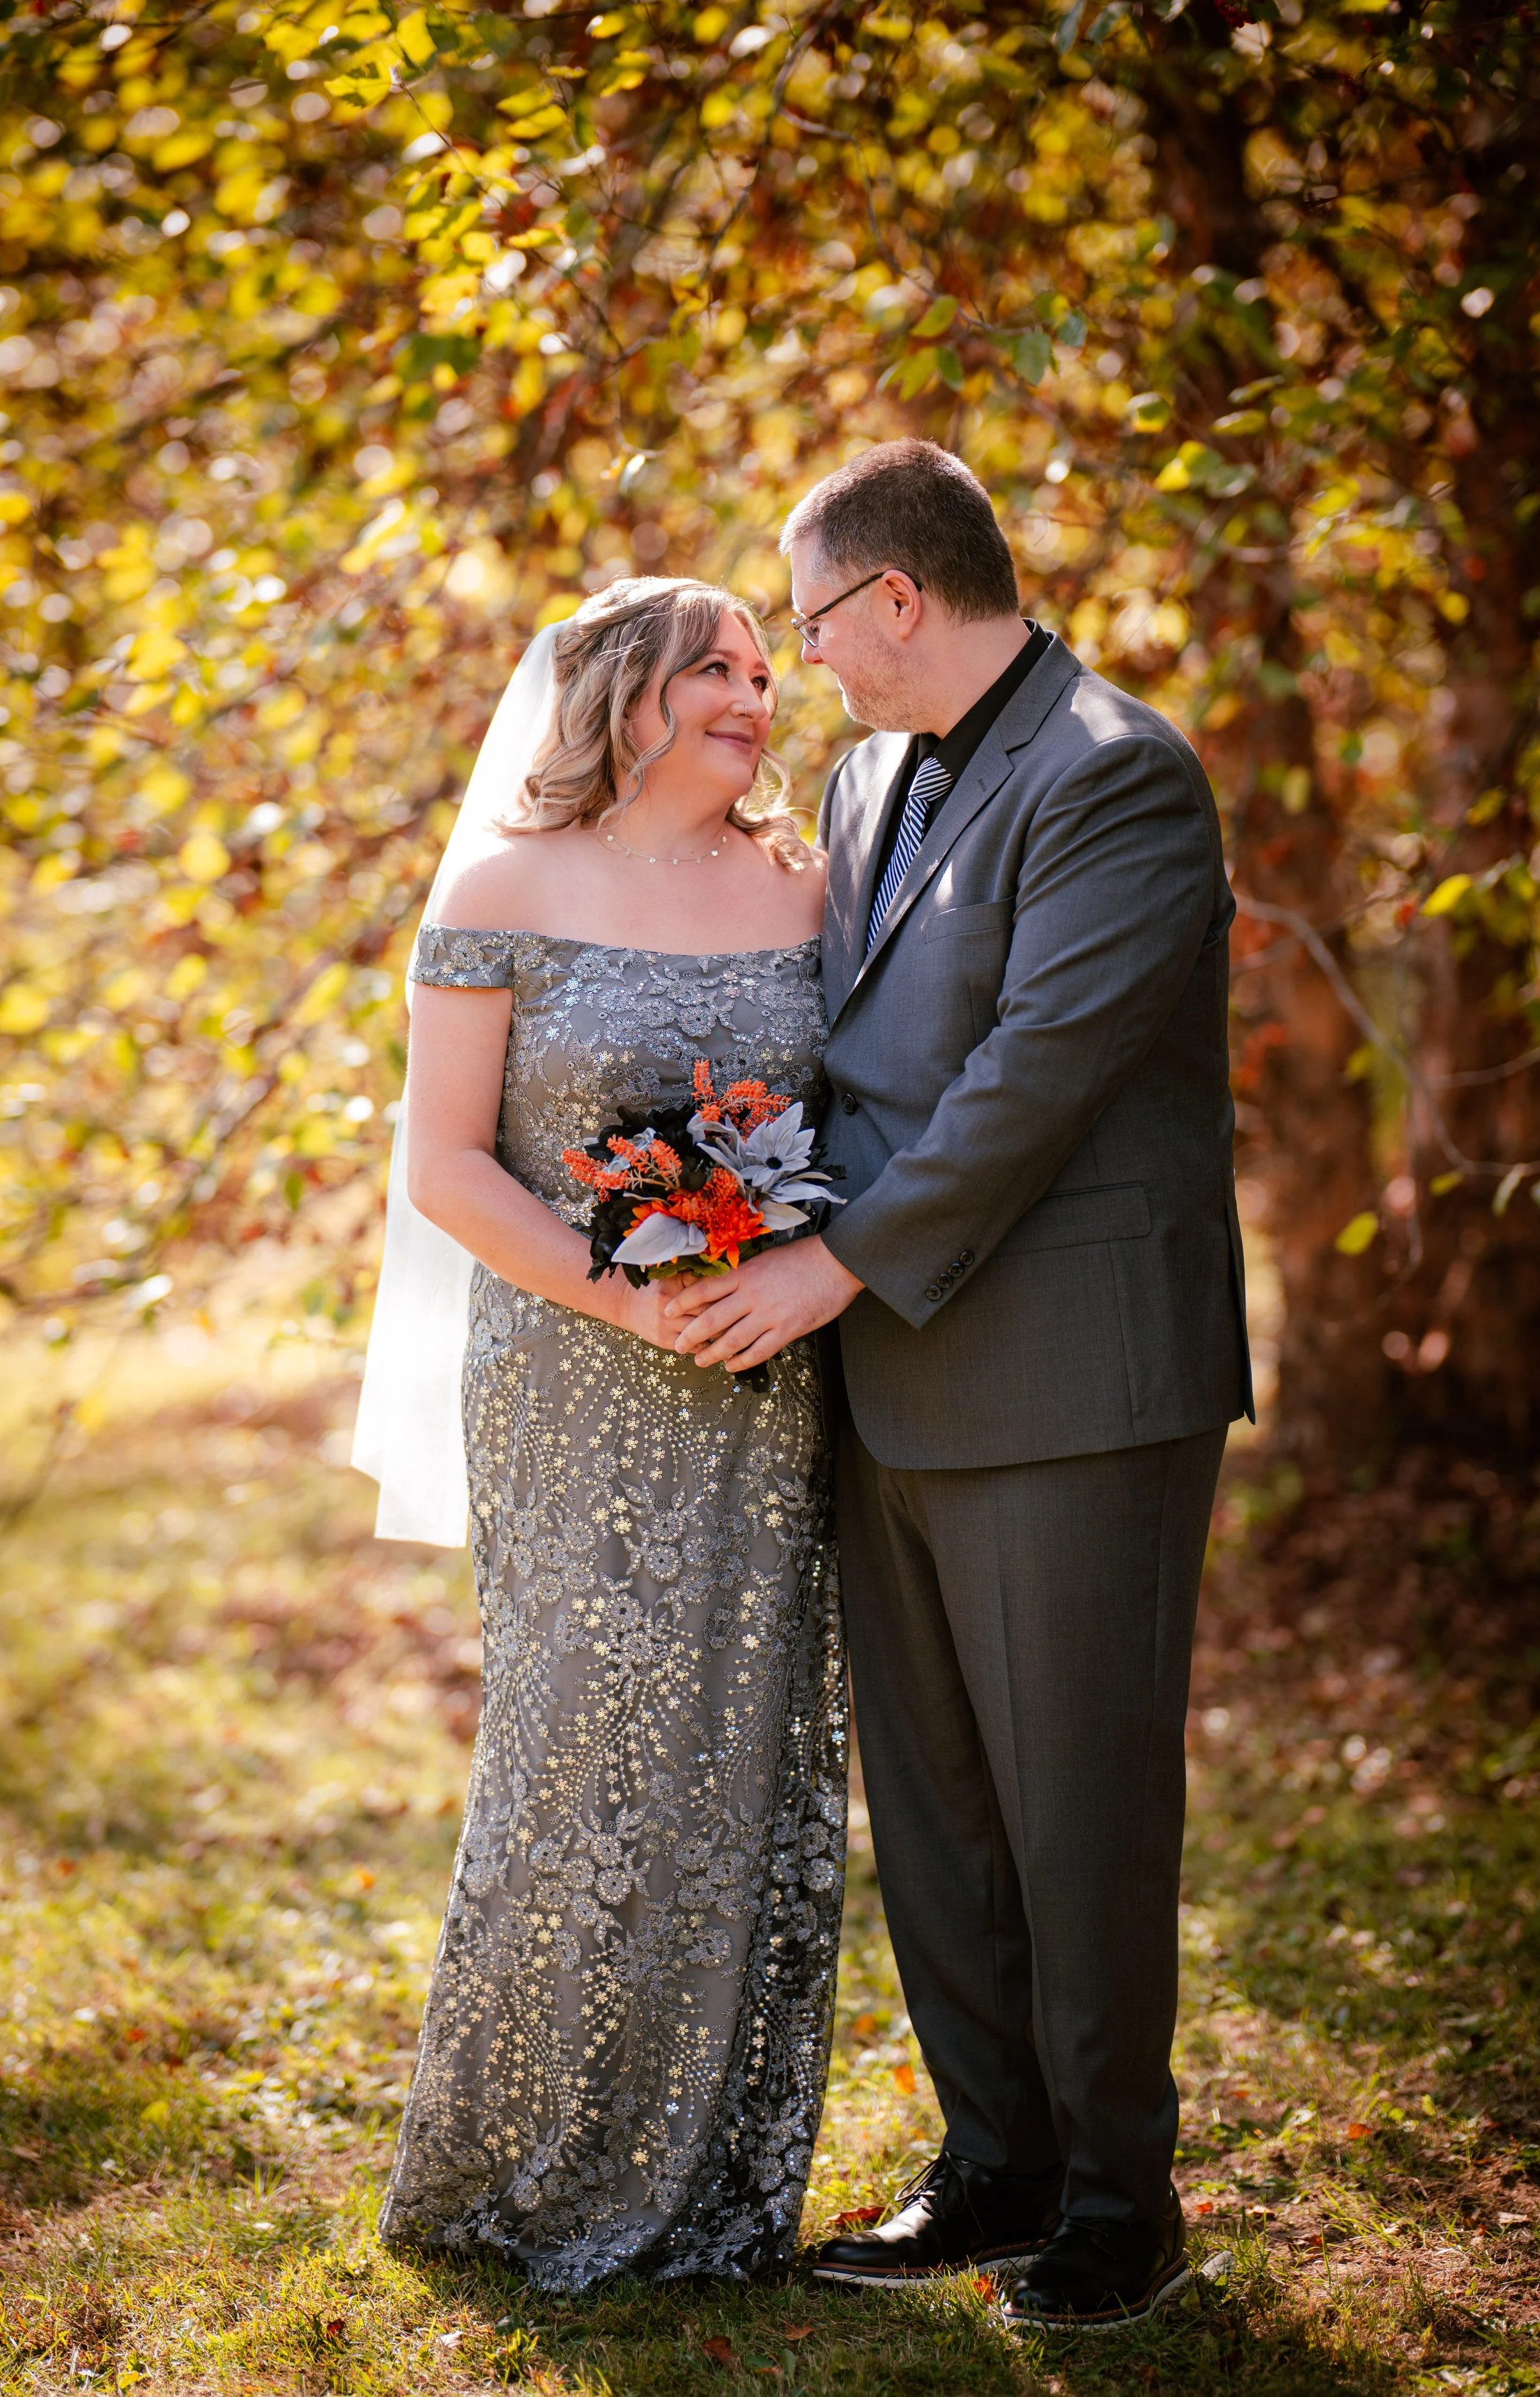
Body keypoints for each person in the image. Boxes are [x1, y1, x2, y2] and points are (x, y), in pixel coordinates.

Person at [665, 442, 1252, 2331]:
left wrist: (827, 1259)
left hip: (1075, 1370)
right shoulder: (865, 775)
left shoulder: (1113, 773)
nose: (810, 666)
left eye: (817, 621)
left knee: (1076, 1796)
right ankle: (991, 2160)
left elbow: (1033, 1075)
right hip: (888, 1373)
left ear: (895, 598)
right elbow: (838, 1039)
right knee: (931, 1801)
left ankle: (1115, 2192)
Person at [372, 578, 847, 2291]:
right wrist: (629, 1293)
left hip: (775, 1370)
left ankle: (715, 2181)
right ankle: (524, 2163)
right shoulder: (504, 884)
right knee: (581, 1746)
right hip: (577, 1373)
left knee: (754, 1750)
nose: (749, 691)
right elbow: (442, 1165)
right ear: (614, 697)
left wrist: (795, 1265)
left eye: (757, 666)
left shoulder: (812, 886)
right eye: (708, 666)